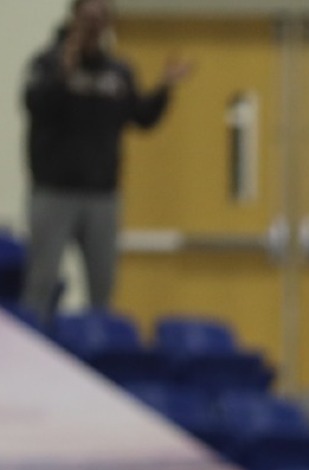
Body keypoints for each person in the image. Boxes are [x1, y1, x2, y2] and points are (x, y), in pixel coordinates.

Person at [21, 0, 192, 322]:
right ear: (74, 17)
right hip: (53, 193)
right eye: (89, 16)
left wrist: (165, 88)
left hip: (102, 195)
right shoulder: (46, 63)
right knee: (41, 285)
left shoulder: (118, 72)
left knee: (103, 287)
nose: (95, 24)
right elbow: (36, 104)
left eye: (102, 17)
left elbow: (140, 117)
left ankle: (95, 357)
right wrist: (65, 68)